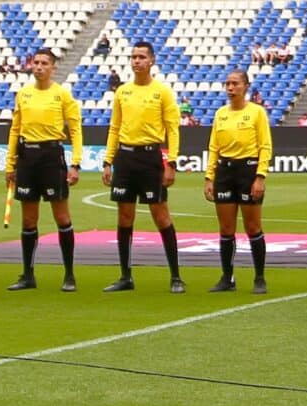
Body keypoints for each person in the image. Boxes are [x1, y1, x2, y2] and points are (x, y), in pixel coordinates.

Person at [105, 41, 187, 294]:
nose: (136, 61)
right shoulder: (122, 92)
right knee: (124, 216)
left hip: (150, 158)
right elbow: (115, 128)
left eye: (141, 57)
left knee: (161, 216)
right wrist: (108, 161)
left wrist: (171, 162)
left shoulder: (161, 92)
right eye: (133, 57)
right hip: (125, 158)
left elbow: (172, 128)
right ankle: (125, 276)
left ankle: (175, 276)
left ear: (151, 60)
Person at [5, 47, 84, 291]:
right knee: (29, 219)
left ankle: (69, 275)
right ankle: (28, 274)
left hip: (52, 156)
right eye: (36, 62)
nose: (38, 67)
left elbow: (75, 129)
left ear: (53, 67)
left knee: (61, 216)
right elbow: (15, 130)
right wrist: (10, 163)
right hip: (27, 157)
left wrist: (75, 163)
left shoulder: (62, 95)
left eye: (44, 63)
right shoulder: (23, 94)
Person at [203, 67, 272, 293]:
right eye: (228, 84)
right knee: (226, 228)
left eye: (235, 84)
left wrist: (260, 177)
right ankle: (227, 277)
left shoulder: (257, 113)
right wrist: (209, 177)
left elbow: (265, 146)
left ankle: (259, 277)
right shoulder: (220, 113)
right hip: (225, 171)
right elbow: (214, 147)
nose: (231, 88)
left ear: (246, 87)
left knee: (253, 226)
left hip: (248, 171)